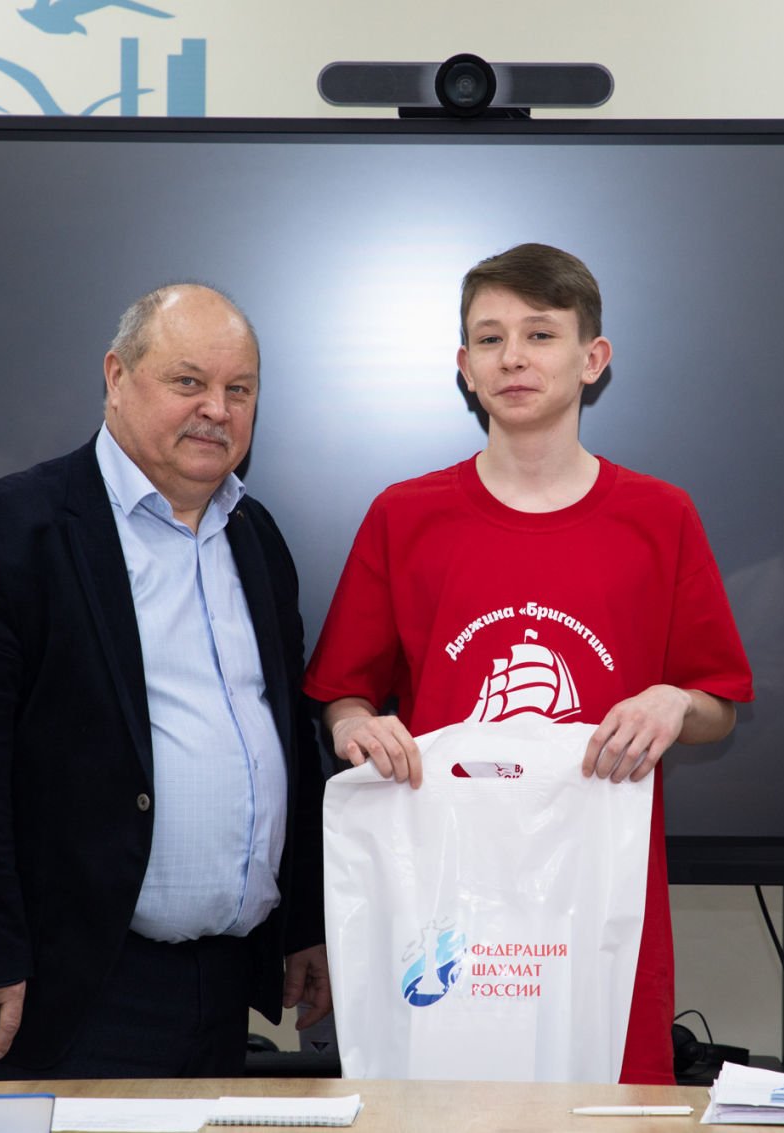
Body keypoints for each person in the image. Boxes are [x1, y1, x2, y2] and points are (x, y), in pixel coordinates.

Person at [303, 243, 753, 1085]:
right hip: (440, 908)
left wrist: (672, 701)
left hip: (598, 905)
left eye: (540, 334)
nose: (513, 356)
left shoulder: (660, 517)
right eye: (491, 338)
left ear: (592, 358)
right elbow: (343, 693)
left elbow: (717, 703)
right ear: (465, 368)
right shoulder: (405, 516)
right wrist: (356, 726)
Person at [0, 283, 330, 1081]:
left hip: (225, 981)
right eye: (188, 381)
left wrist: (303, 922)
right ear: (117, 377)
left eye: (239, 389)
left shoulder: (256, 536)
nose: (216, 409)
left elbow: (288, 745)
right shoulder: (2, 535)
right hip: (67, 985)